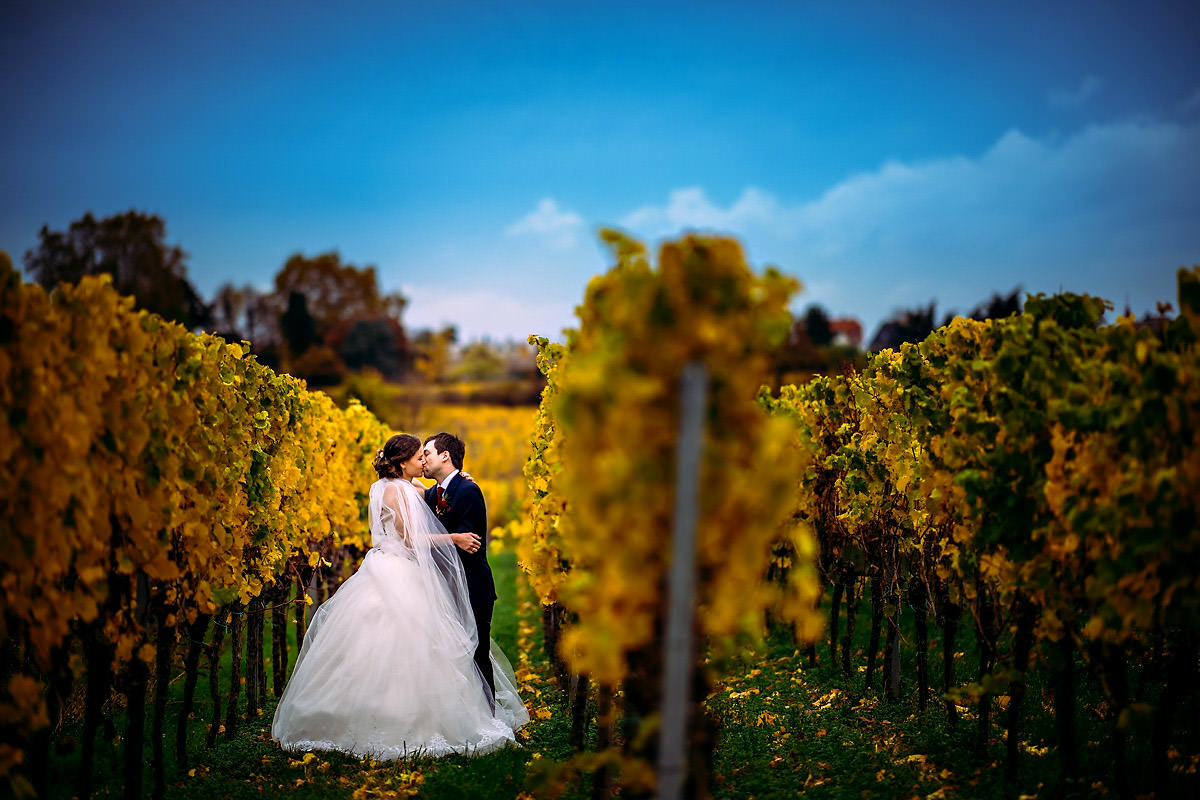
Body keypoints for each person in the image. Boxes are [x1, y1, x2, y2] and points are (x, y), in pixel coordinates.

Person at [271, 433, 528, 760]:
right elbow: (410, 538)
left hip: (401, 568)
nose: (423, 461)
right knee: (393, 640)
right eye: (419, 456)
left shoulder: (404, 487)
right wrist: (455, 537)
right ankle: (385, 718)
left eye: (426, 455)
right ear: (403, 461)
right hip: (397, 569)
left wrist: (459, 478)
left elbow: (433, 493)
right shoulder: (393, 491)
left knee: (416, 642)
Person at [419, 432, 498, 708]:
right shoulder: (435, 493)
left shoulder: (467, 490)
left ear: (445, 456)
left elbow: (470, 544)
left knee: (477, 653)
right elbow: (410, 489)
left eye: (426, 453)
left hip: (472, 588)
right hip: (446, 589)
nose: (422, 459)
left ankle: (489, 715)